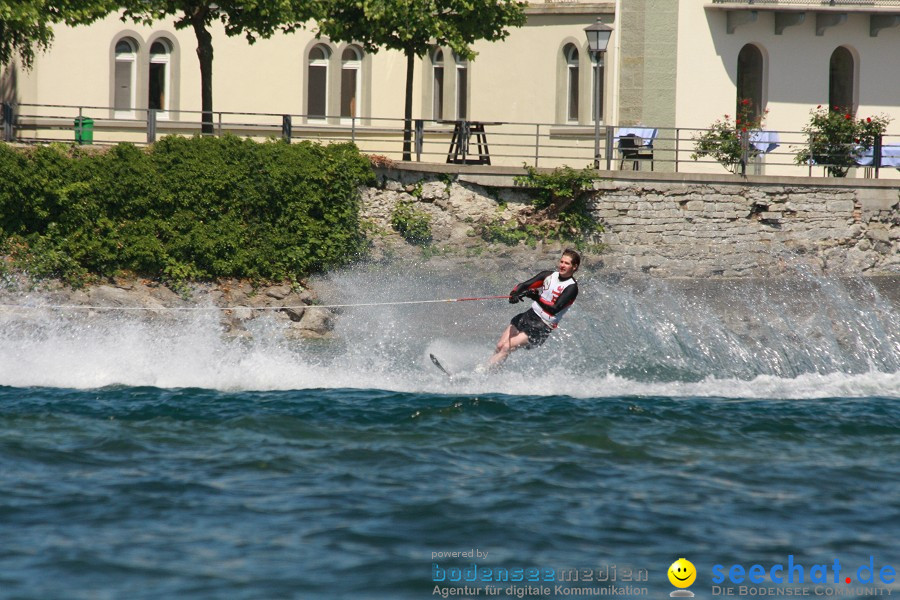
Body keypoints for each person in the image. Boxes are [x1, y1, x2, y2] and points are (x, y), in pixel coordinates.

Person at [486, 249, 580, 369]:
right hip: (529, 315)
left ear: (574, 267)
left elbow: (554, 309)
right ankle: (492, 372)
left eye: (567, 263)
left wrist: (536, 297)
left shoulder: (571, 288)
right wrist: (514, 294)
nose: (562, 265)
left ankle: (481, 372)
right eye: (561, 261)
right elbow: (524, 285)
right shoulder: (548, 275)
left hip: (542, 326)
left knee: (506, 347)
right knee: (500, 345)